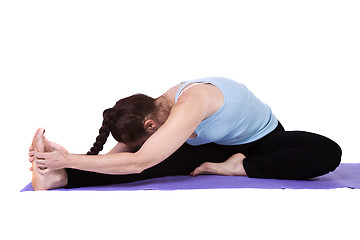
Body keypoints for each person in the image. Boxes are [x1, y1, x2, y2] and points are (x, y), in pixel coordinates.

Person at [28, 76, 342, 190]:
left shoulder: (189, 105)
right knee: (157, 162)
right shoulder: (154, 109)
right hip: (218, 145)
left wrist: (67, 158)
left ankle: (239, 167)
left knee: (327, 153)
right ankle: (61, 180)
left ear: (151, 127)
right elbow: (124, 158)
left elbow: (139, 160)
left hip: (265, 140)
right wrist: (62, 163)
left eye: (147, 137)